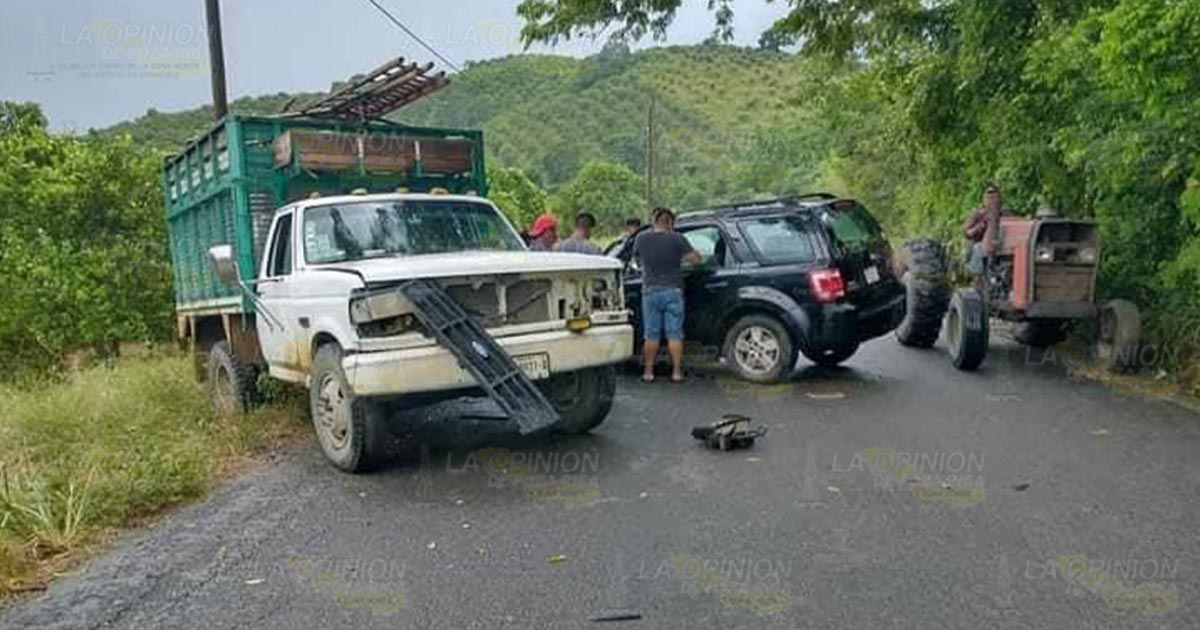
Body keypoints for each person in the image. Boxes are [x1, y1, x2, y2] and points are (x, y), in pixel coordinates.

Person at [633, 207, 702, 383]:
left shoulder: (641, 238)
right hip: (673, 289)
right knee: (674, 333)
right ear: (671, 222)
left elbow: (637, 260)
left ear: (654, 220)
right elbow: (696, 259)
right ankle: (677, 372)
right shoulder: (678, 239)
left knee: (651, 334)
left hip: (650, 290)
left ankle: (648, 372)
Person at [962, 183, 1010, 274]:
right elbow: (966, 232)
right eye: (989, 196)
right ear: (984, 199)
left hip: (1001, 244)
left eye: (995, 196)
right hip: (979, 244)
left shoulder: (1005, 213)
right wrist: (980, 227)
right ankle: (978, 274)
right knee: (978, 249)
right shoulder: (978, 214)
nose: (992, 199)